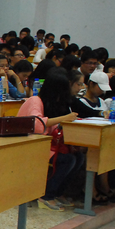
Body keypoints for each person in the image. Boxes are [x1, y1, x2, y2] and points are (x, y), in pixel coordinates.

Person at [17, 71, 82, 211]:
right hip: (28, 144)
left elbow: (51, 128)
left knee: (78, 157)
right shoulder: (35, 101)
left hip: (43, 144)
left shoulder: (51, 103)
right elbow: (37, 124)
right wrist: (63, 118)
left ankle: (57, 193)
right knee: (68, 160)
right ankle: (46, 196)